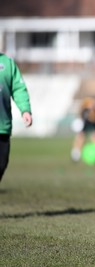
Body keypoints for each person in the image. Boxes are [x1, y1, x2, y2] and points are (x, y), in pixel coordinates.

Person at [0, 53, 33, 183]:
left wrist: (25, 110)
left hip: (2, 126)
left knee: (1, 164)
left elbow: (18, 89)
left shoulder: (7, 63)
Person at [70, 96, 95, 162]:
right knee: (81, 137)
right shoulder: (85, 106)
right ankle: (76, 153)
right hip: (86, 122)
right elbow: (80, 112)